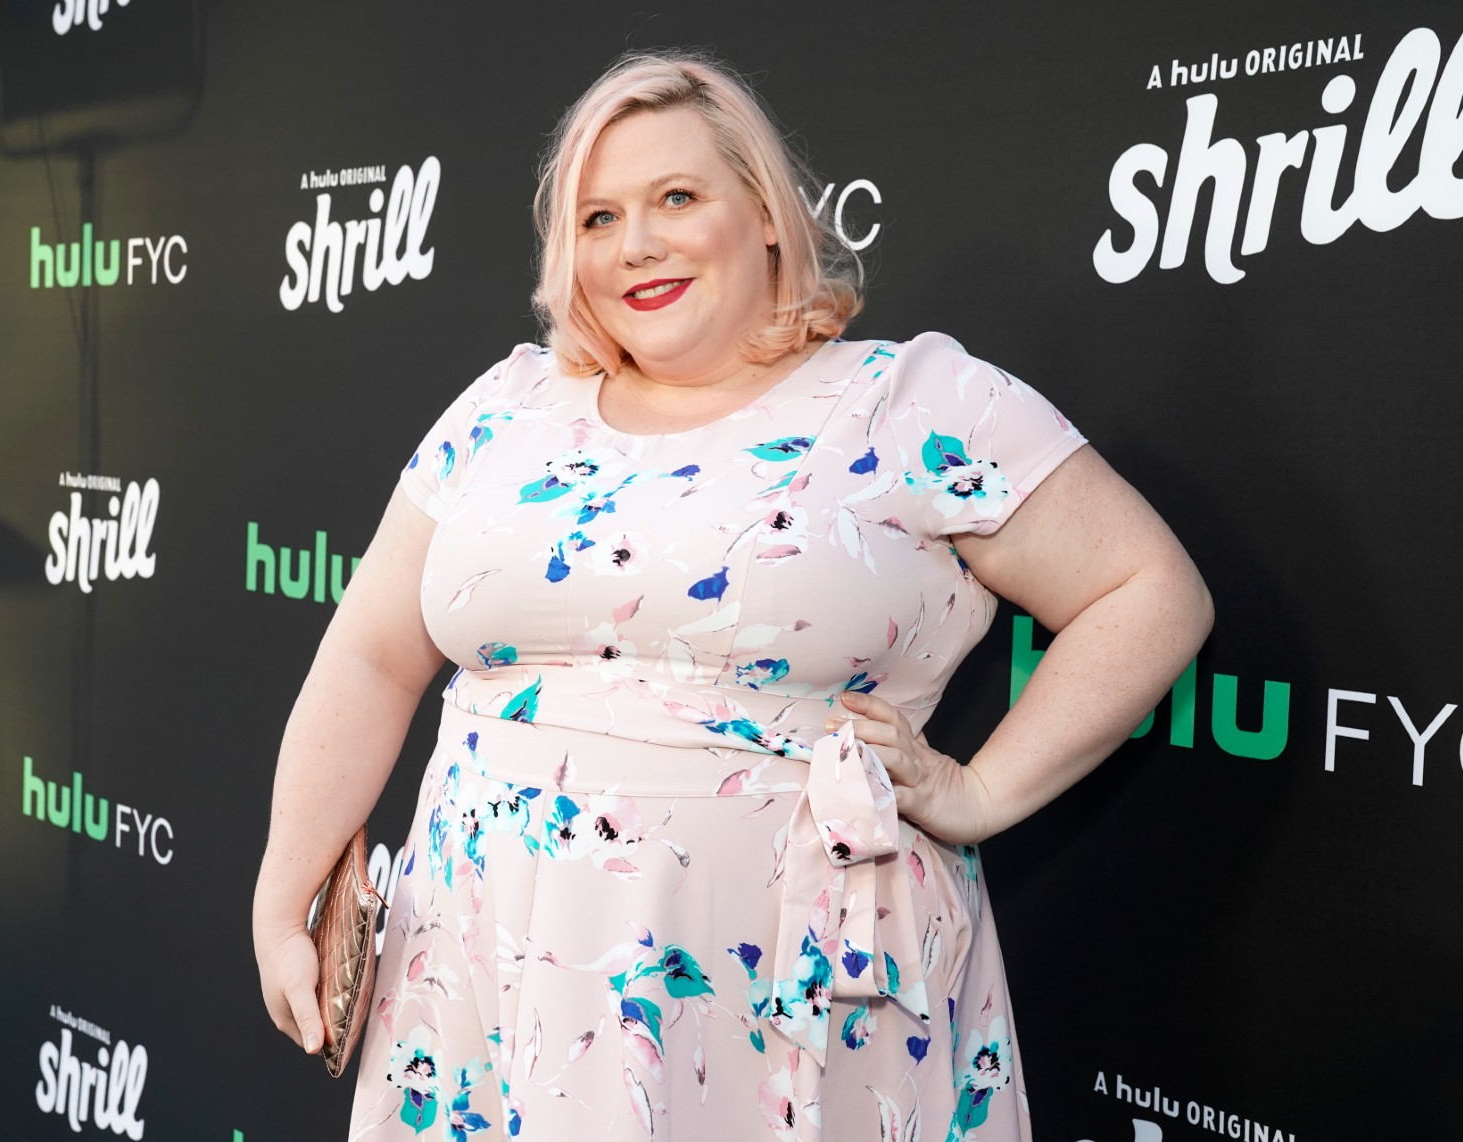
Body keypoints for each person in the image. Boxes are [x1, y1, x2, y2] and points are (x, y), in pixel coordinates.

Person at [253, 50, 1212, 1142]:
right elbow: (374, 651)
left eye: (675, 198)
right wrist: (284, 894)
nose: (637, 245)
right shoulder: (505, 406)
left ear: (765, 212)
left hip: (783, 984)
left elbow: (1150, 591)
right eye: (599, 217)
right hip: (480, 969)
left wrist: (979, 790)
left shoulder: (909, 401)